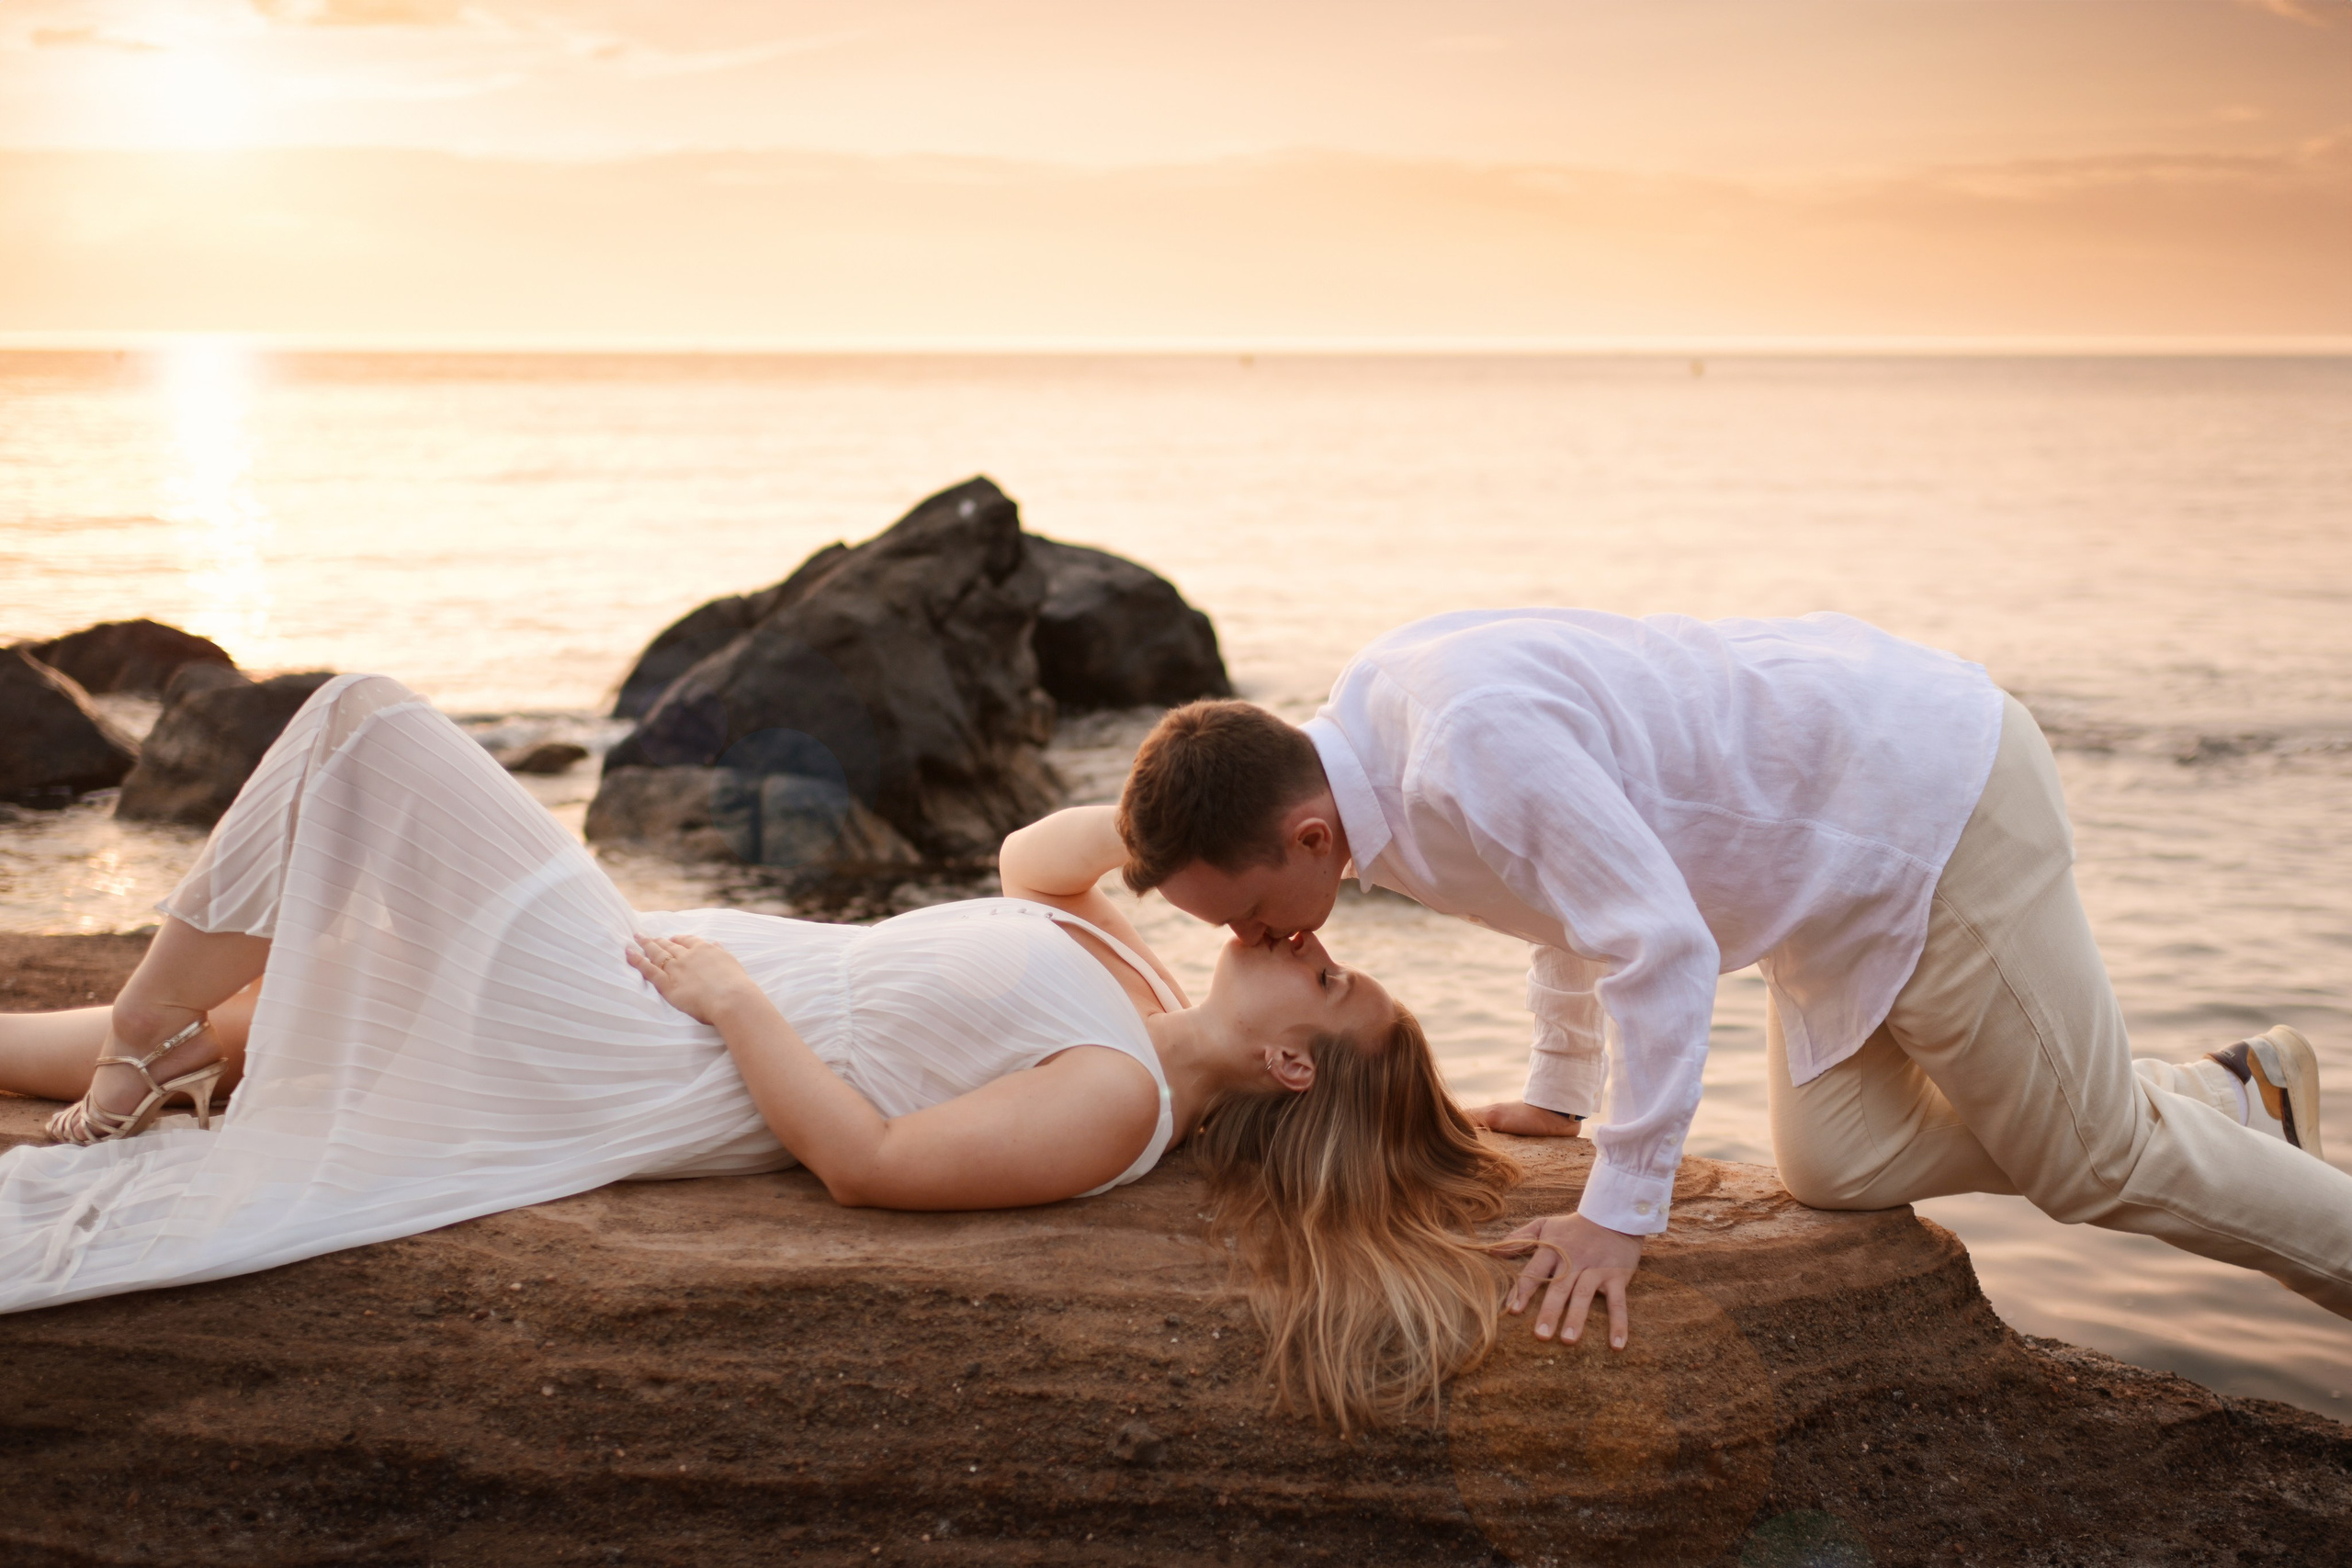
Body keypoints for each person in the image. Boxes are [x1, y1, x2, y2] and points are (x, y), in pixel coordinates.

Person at [0, 673, 1514, 1430]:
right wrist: (1203, 814)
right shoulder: (1124, 960)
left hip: (632, 1035)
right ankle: (144, 1053)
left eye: (1329, 979)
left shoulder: (1119, 1108)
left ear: (1295, 1071)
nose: (1313, 938)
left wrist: (735, 1004)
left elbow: (869, 1167)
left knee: (362, 725)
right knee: (256, 1025)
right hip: (634, 964)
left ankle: (142, 1045)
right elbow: (1037, 854)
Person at [1116, 608, 2349, 1351]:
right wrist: (1559, 1092)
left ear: (1310, 839)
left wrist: (1619, 1209)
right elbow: (1567, 893)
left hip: (1921, 804)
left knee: (2095, 1168)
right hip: (1809, 871)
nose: (1265, 948)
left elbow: (1659, 948)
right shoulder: (1371, 746)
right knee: (1839, 1166)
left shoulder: (1462, 751)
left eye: (1255, 916)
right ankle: (2228, 1096)